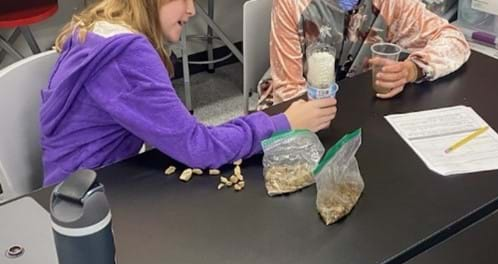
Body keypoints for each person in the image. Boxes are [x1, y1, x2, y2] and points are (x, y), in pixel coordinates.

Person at [40, 0, 337, 186]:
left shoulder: (101, 26)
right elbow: (198, 147)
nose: (192, 9)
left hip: (75, 181)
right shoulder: (127, 56)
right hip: (92, 199)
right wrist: (283, 124)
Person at [258, 0, 470, 108]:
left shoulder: (390, 3)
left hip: (362, 105)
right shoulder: (293, 4)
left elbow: (453, 40)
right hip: (301, 106)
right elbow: (288, 93)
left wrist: (411, 69)